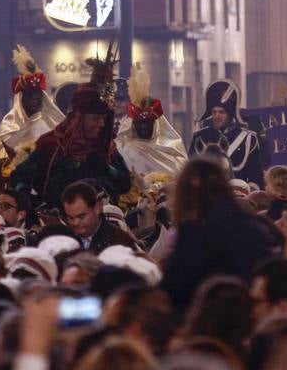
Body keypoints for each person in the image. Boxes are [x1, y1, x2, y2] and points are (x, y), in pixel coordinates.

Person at [11, 47, 131, 207]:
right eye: (95, 118)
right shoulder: (51, 144)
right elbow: (20, 176)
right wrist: (25, 197)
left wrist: (106, 168)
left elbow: (125, 184)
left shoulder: (107, 147)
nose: (101, 125)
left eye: (103, 119)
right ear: (79, 118)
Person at [162, 157, 273, 307]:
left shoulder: (196, 230)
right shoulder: (255, 224)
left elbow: (175, 286)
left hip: (212, 315)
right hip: (254, 309)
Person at [0, 45, 63, 162]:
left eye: (37, 94)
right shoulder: (8, 127)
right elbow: (0, 163)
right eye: (29, 95)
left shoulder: (54, 125)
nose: (34, 99)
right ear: (20, 99)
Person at [188, 81, 264, 186]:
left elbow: (256, 177)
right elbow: (191, 171)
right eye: (214, 112)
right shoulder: (200, 137)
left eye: (221, 112)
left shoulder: (248, 139)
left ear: (230, 114)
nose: (217, 116)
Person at [116, 65, 187, 177]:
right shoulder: (123, 147)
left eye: (147, 123)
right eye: (140, 123)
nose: (144, 127)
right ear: (133, 125)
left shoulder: (173, 147)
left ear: (156, 123)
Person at [62, 181, 136, 253]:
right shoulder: (63, 243)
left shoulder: (120, 241)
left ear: (97, 207)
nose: (75, 223)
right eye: (70, 218)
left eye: (81, 217)